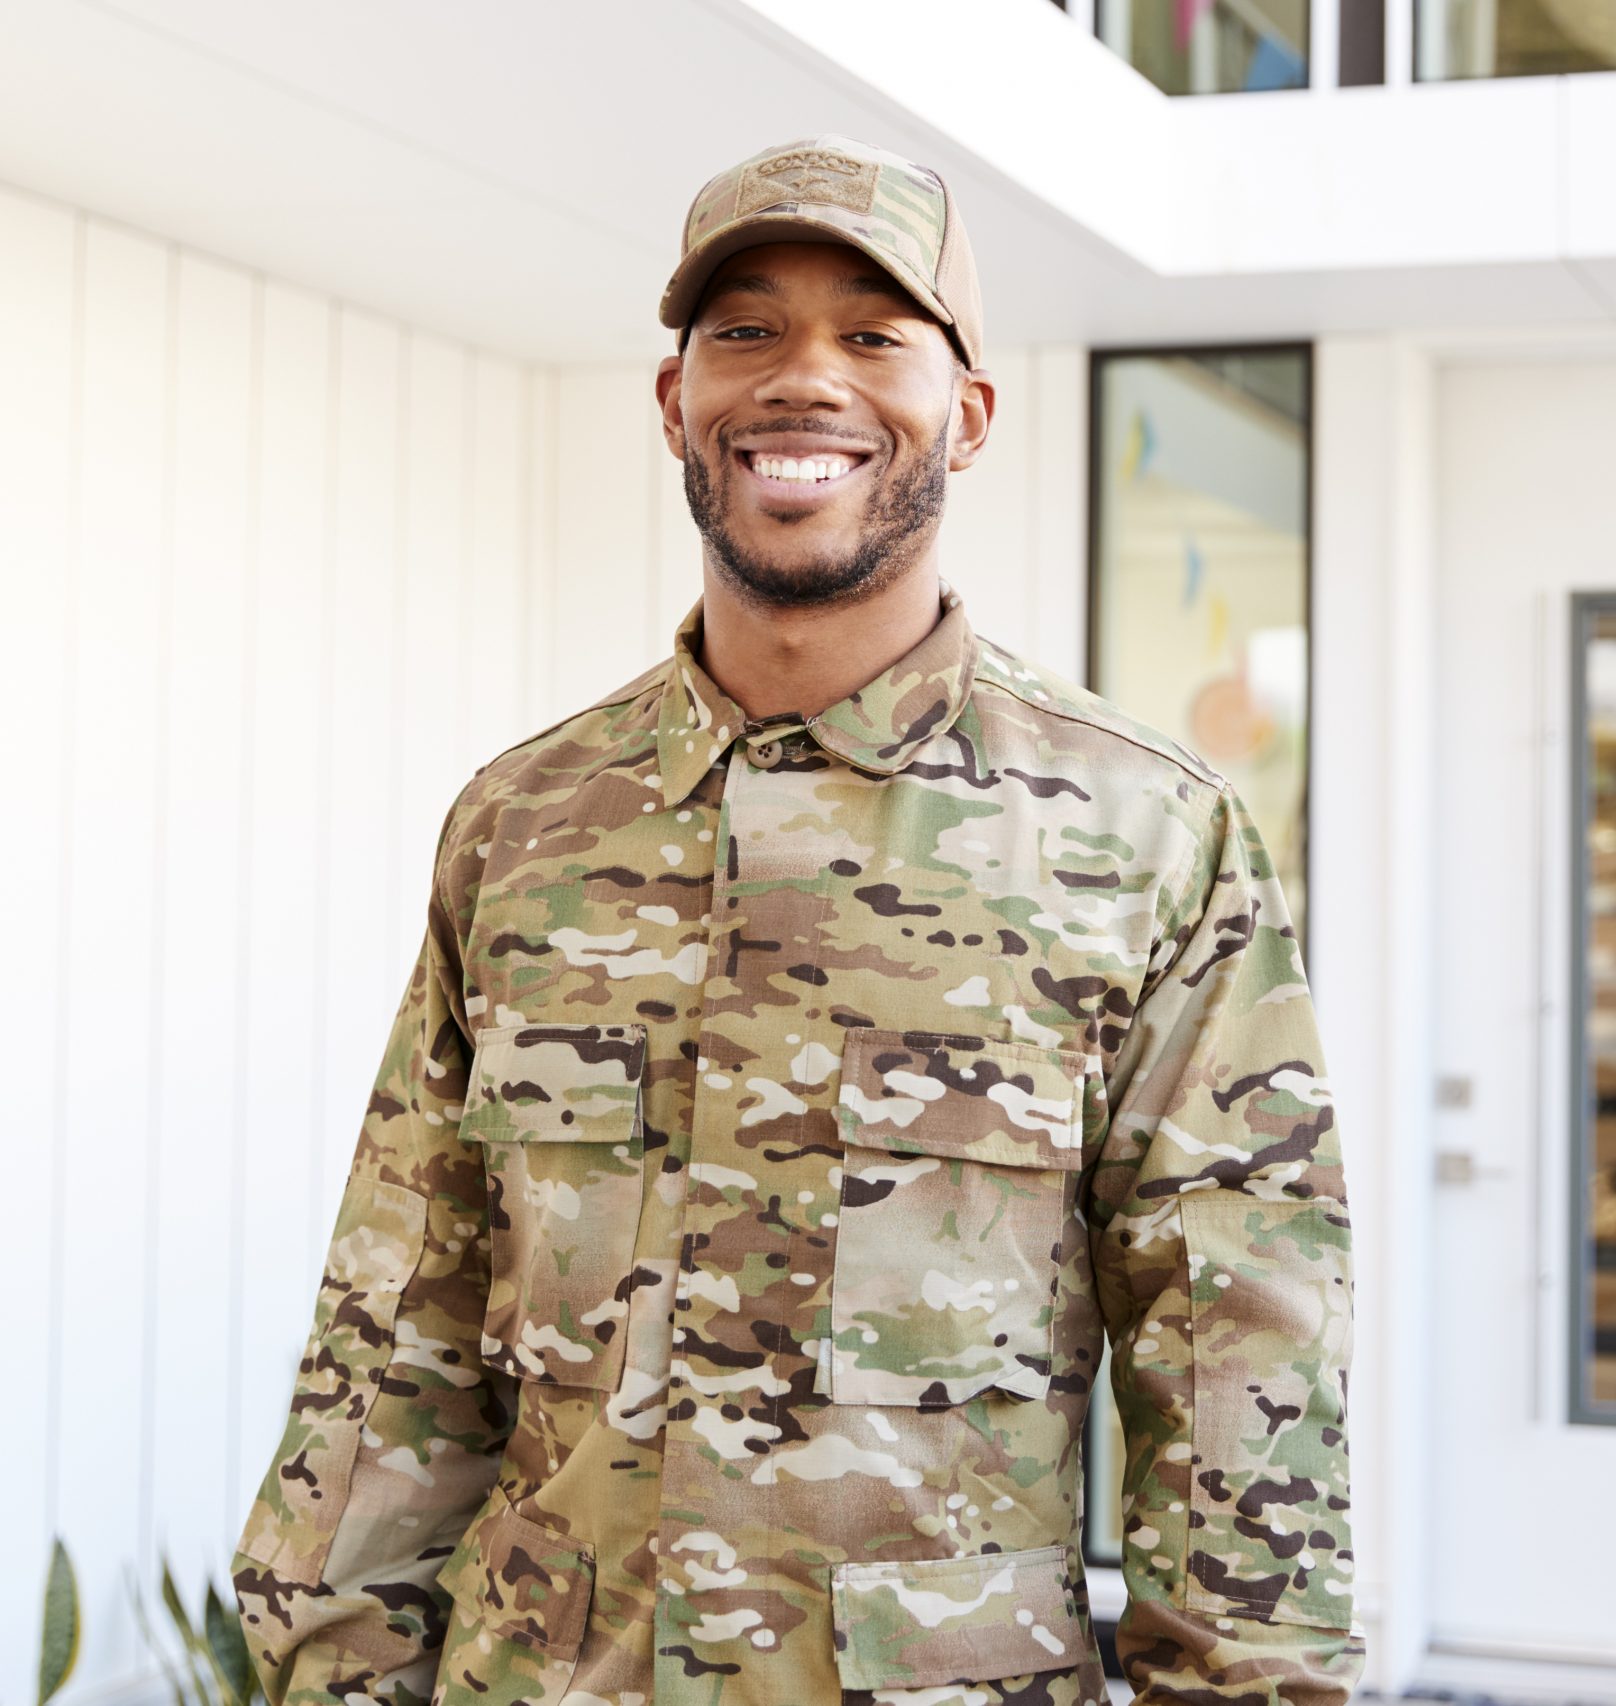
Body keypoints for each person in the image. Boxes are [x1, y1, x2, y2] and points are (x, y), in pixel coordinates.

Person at [229, 133, 1364, 1706]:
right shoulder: (523, 822)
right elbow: (397, 1323)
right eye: (743, 329)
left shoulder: (1143, 831)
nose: (802, 379)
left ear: (965, 413)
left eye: (875, 333)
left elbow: (1245, 1351)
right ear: (674, 401)